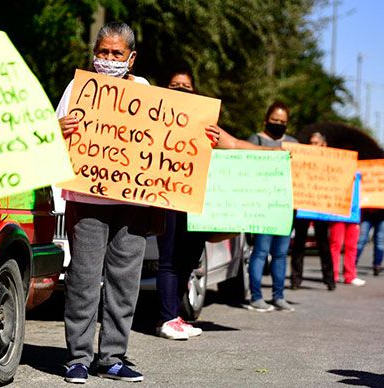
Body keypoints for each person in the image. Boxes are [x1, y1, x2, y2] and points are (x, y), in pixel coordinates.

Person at [56, 22, 153, 384]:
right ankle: (78, 357)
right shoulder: (78, 88)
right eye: (103, 52)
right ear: (94, 53)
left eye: (116, 54)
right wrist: (59, 130)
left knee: (124, 282)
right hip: (88, 198)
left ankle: (112, 356)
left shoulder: (144, 90)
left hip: (133, 202)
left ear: (131, 57)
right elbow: (54, 131)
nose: (109, 60)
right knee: (83, 278)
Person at [156, 69, 282, 339]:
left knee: (188, 260)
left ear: (194, 91)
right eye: (174, 84)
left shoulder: (204, 123)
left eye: (186, 86)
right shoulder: (154, 118)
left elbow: (235, 144)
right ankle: (166, 318)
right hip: (166, 197)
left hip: (196, 201)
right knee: (169, 259)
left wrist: (273, 153)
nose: (180, 88)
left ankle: (174, 316)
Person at [246, 101, 297, 312]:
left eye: (282, 121)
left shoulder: (294, 144)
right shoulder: (255, 140)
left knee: (281, 254)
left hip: (285, 206)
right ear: (266, 120)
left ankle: (279, 296)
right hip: (262, 205)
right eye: (275, 120)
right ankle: (256, 296)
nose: (278, 124)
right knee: (260, 252)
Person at [290, 132, 336, 291]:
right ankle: (296, 279)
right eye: (310, 142)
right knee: (299, 243)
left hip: (320, 207)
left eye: (315, 143)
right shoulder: (302, 159)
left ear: (324, 145)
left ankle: (329, 279)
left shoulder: (331, 162)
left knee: (323, 243)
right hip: (303, 204)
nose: (312, 146)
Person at [356, 208, 384, 276]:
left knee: (380, 241)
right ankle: (351, 264)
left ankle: (377, 266)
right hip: (367, 213)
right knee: (361, 240)